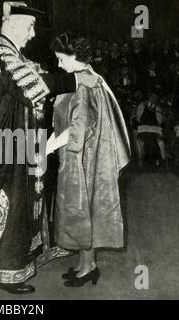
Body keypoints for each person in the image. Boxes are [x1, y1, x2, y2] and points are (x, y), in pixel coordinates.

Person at [0, 2, 100, 294]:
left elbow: (25, 78)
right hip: (2, 146)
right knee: (10, 208)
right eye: (30, 26)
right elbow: (31, 86)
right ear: (12, 23)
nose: (32, 33)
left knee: (11, 208)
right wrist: (75, 78)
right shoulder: (1, 52)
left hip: (10, 144)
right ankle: (6, 275)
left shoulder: (7, 52)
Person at [48, 33, 130, 287]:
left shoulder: (83, 85)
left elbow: (76, 130)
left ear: (75, 57)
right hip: (88, 154)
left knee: (84, 210)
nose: (59, 65)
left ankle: (89, 267)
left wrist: (49, 145)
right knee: (88, 210)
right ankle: (84, 264)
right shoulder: (89, 77)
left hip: (82, 158)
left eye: (62, 59)